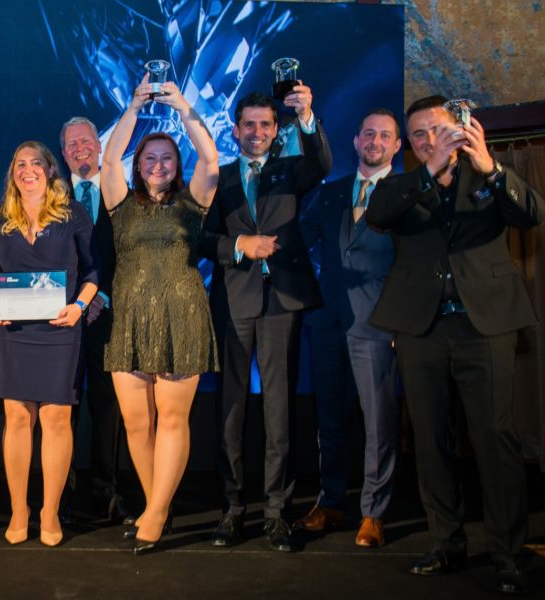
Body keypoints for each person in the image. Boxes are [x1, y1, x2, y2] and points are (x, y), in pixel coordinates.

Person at [365, 96, 545, 595]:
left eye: (438, 130)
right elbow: (378, 215)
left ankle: (508, 552)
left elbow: (533, 213)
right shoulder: (402, 186)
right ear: (409, 143)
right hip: (421, 331)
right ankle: (446, 544)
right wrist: (429, 171)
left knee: (495, 438)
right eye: (419, 134)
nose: (430, 140)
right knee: (431, 440)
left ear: (460, 130)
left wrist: (490, 167)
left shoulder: (487, 177)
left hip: (484, 327)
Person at [201, 86, 331, 552]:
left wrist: (308, 116)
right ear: (235, 130)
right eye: (249, 125)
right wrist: (240, 246)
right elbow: (202, 239)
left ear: (277, 131)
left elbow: (322, 164)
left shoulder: (291, 170)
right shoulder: (218, 177)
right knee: (230, 410)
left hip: (282, 303)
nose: (257, 132)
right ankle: (233, 508)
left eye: (265, 124)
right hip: (234, 301)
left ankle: (277, 511)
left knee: (279, 410)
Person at [100, 76, 220, 554]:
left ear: (176, 164)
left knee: (172, 418)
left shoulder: (193, 202)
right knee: (137, 424)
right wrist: (133, 108)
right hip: (129, 319)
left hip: (181, 316)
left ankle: (152, 517)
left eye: (166, 158)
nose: (158, 165)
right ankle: (158, 506)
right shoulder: (119, 203)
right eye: (149, 158)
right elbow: (109, 159)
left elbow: (211, 159)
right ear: (138, 164)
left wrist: (184, 106)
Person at [295, 108, 402, 548]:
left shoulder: (407, 194)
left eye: (385, 135)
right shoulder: (332, 192)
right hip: (327, 322)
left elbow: (414, 263)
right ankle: (331, 501)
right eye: (368, 134)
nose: (375, 141)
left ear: (397, 145)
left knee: (378, 423)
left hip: (379, 325)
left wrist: (400, 322)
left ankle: (373, 512)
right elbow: (300, 239)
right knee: (330, 420)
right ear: (356, 141)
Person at [0, 141, 99, 547]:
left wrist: (79, 307)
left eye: (36, 163)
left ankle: (50, 511)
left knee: (56, 419)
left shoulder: (72, 213)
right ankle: (19, 510)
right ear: (12, 173)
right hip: (14, 333)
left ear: (50, 170)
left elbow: (93, 269)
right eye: (20, 164)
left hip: (60, 330)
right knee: (17, 419)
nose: (28, 170)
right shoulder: (0, 218)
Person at [57, 117, 129, 524]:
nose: (80, 148)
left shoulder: (123, 192)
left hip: (109, 316)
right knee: (61, 409)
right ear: (63, 153)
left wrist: (100, 297)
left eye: (86, 140)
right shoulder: (50, 196)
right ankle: (59, 494)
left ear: (100, 146)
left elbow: (130, 254)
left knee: (108, 408)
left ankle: (107, 491)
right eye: (72, 144)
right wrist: (75, 302)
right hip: (62, 318)